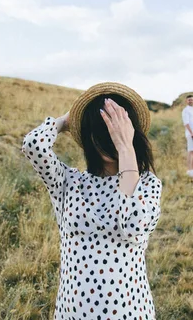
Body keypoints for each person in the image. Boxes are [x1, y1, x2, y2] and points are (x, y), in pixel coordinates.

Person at [21, 82, 162, 320]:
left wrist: (126, 149)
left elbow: (131, 225)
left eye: (116, 131)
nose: (109, 139)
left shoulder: (147, 184)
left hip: (127, 311)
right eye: (102, 132)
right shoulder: (68, 182)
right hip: (73, 311)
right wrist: (68, 120)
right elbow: (34, 145)